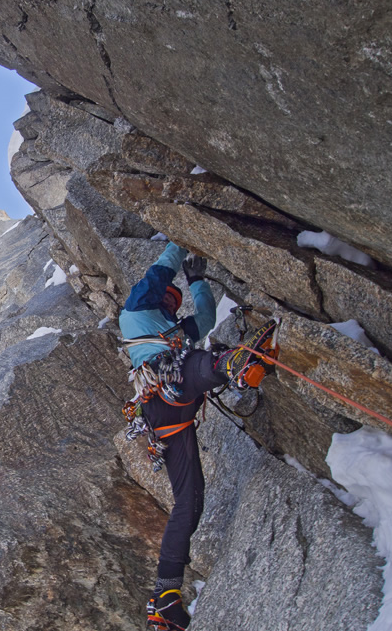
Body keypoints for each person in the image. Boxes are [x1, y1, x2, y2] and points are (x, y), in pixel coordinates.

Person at [117, 242, 226, 631]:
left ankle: (165, 595)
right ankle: (233, 366)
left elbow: (208, 318)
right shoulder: (136, 308)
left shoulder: (173, 327)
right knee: (190, 365)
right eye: (169, 296)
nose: (168, 300)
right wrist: (183, 239)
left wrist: (197, 281)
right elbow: (163, 267)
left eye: (172, 299)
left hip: (168, 418)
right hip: (167, 392)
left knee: (189, 502)